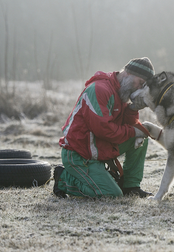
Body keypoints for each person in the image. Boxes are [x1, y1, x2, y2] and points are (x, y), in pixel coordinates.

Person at [53, 57, 154, 199]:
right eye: (140, 83)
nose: (138, 88)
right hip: (79, 154)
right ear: (128, 73)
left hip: (97, 148)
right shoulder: (99, 90)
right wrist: (133, 131)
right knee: (111, 194)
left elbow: (126, 124)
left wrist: (133, 109)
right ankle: (63, 179)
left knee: (140, 138)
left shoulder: (122, 91)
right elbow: (104, 130)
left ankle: (131, 187)